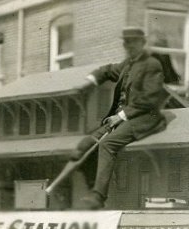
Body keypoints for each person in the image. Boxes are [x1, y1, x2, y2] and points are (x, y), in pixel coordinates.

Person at [72, 27, 169, 209]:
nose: (128, 45)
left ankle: (98, 196)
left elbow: (150, 98)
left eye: (132, 41)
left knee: (107, 144)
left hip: (144, 116)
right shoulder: (128, 64)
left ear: (142, 43)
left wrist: (121, 116)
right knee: (84, 145)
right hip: (122, 117)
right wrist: (90, 80)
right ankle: (92, 187)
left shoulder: (152, 64)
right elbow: (109, 70)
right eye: (126, 42)